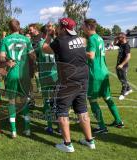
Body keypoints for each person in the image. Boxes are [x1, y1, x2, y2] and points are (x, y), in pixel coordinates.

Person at [42, 18, 95, 153]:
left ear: (63, 28)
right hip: (83, 78)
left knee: (62, 110)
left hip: (68, 80)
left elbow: (44, 49)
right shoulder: (80, 39)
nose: (57, 28)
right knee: (82, 109)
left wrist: (48, 33)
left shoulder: (60, 41)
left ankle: (67, 144)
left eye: (59, 26)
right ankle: (90, 141)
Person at [82, 18, 124, 134]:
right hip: (104, 72)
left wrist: (79, 51)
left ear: (89, 27)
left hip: (95, 74)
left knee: (92, 100)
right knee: (107, 98)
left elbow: (91, 55)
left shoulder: (91, 39)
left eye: (83, 26)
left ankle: (102, 127)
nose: (82, 28)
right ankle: (118, 121)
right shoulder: (99, 38)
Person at [0, 19, 36, 138]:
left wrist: (8, 61)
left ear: (9, 28)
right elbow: (33, 56)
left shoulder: (5, 40)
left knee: (11, 101)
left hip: (12, 74)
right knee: (24, 101)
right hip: (24, 74)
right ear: (19, 26)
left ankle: (13, 131)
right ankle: (27, 129)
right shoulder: (26, 39)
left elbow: (1, 58)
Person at [36, 25, 58, 134]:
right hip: (56, 75)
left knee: (47, 102)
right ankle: (59, 126)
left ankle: (49, 126)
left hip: (45, 76)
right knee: (58, 101)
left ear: (42, 33)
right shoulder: (56, 42)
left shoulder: (41, 44)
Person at [114, 33, 132, 100]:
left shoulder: (126, 46)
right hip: (118, 65)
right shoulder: (121, 44)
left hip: (123, 66)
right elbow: (114, 44)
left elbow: (128, 56)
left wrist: (122, 64)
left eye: (119, 38)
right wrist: (115, 39)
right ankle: (129, 89)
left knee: (123, 80)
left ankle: (122, 94)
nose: (118, 39)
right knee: (120, 79)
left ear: (123, 38)